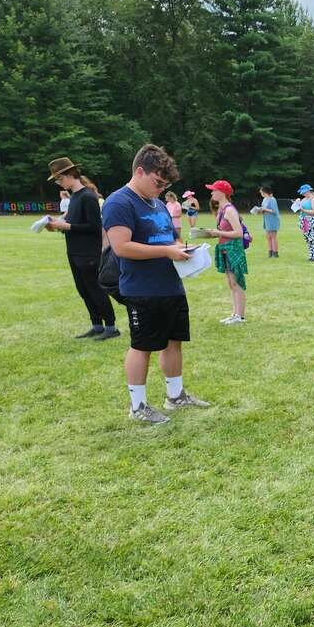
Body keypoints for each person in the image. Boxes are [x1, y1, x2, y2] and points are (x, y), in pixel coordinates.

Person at [103, 143, 211, 424]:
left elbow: (169, 238)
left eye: (165, 185)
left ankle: (175, 396)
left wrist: (184, 250)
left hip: (170, 285)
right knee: (143, 346)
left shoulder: (159, 204)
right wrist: (166, 251)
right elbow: (122, 247)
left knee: (174, 341)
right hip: (142, 289)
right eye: (158, 183)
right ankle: (138, 406)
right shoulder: (119, 202)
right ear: (140, 171)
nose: (161, 189)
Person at [45, 157, 119, 339]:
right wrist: (57, 224)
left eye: (59, 179)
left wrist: (66, 226)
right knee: (83, 290)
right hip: (74, 251)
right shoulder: (74, 197)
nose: (59, 183)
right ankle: (97, 325)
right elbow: (74, 223)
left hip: (88, 253)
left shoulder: (88, 197)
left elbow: (94, 227)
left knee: (96, 289)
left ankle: (111, 327)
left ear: (70, 174)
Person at [203, 179, 248, 323]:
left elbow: (238, 233)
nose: (212, 193)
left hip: (233, 249)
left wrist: (218, 232)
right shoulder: (221, 210)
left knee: (236, 283)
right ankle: (235, 314)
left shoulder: (229, 210)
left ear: (222, 193)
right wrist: (211, 233)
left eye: (214, 190)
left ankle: (240, 316)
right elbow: (224, 232)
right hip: (225, 249)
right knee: (231, 283)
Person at [295, 184, 314, 261]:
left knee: (313, 238)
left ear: (308, 191)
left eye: (304, 192)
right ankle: (311, 255)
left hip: (312, 220)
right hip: (304, 220)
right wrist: (297, 204)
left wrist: (303, 210)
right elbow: (300, 208)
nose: (303, 194)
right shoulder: (303, 199)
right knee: (308, 238)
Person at [257, 185, 280, 258]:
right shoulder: (264, 200)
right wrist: (259, 210)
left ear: (265, 192)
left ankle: (275, 253)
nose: (261, 193)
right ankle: (270, 252)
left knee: (273, 237)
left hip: (273, 220)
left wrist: (264, 209)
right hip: (266, 220)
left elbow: (274, 211)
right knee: (268, 237)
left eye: (261, 192)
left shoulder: (272, 199)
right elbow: (264, 209)